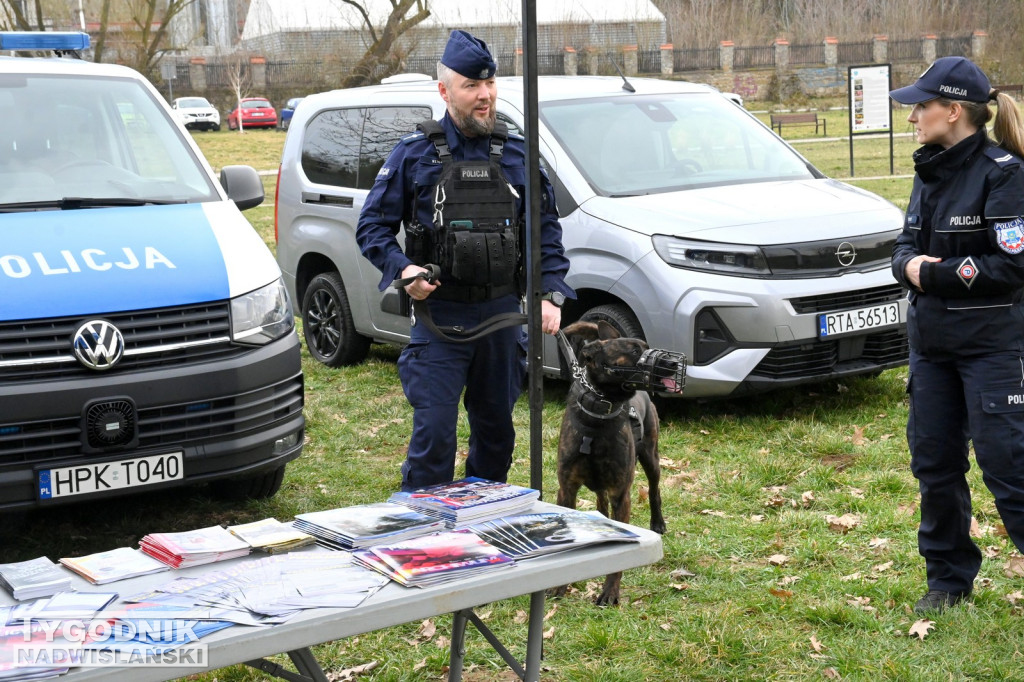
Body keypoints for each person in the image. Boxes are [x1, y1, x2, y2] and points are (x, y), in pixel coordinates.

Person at [356, 30, 574, 492]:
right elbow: (371, 227)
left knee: (496, 438)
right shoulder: (414, 154)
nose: (485, 95)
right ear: (444, 91)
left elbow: (545, 232)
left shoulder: (518, 154)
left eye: (490, 84)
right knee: (434, 437)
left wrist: (549, 293)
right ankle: (422, 535)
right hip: (440, 320)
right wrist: (403, 270)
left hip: (500, 319)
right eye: (472, 86)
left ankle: (483, 530)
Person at [889, 56, 1024, 614]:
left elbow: (1012, 266)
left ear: (953, 110)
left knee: (1009, 466)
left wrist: (933, 272)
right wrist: (908, 267)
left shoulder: (1005, 174)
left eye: (922, 105)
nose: (914, 115)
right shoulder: (930, 169)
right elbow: (903, 247)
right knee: (935, 464)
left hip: (993, 348)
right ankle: (947, 579)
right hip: (932, 350)